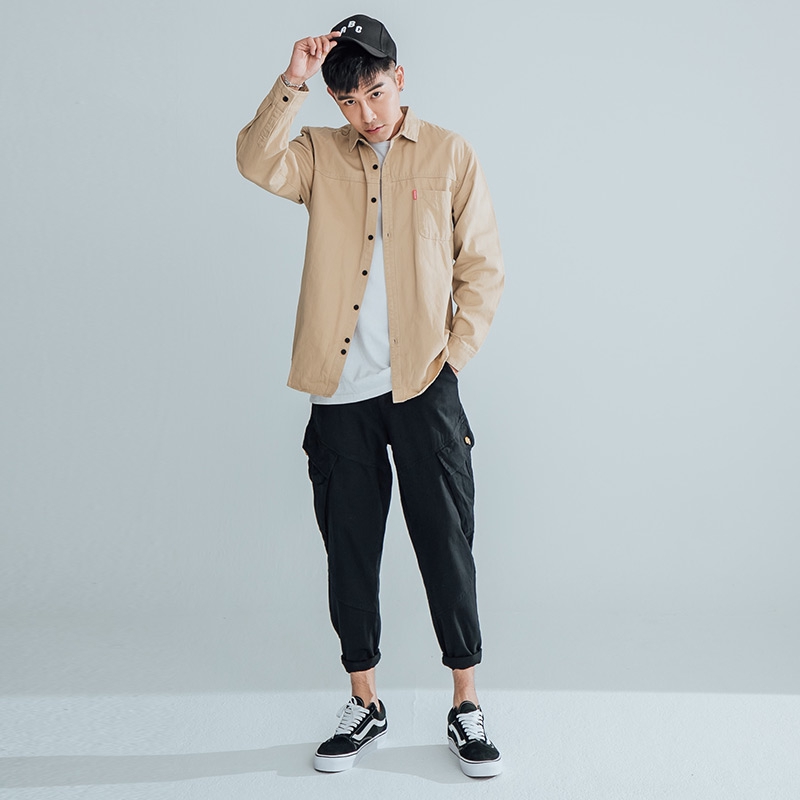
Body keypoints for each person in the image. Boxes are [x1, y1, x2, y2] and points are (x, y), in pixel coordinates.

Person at [236, 13, 504, 778]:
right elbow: (254, 160)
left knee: (446, 544)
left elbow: (483, 267)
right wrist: (293, 81)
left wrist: (452, 360)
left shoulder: (450, 153)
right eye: (350, 102)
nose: (368, 113)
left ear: (400, 79)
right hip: (340, 392)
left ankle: (465, 703)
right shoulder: (318, 154)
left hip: (423, 384)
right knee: (349, 549)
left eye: (377, 93)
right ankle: (364, 701)